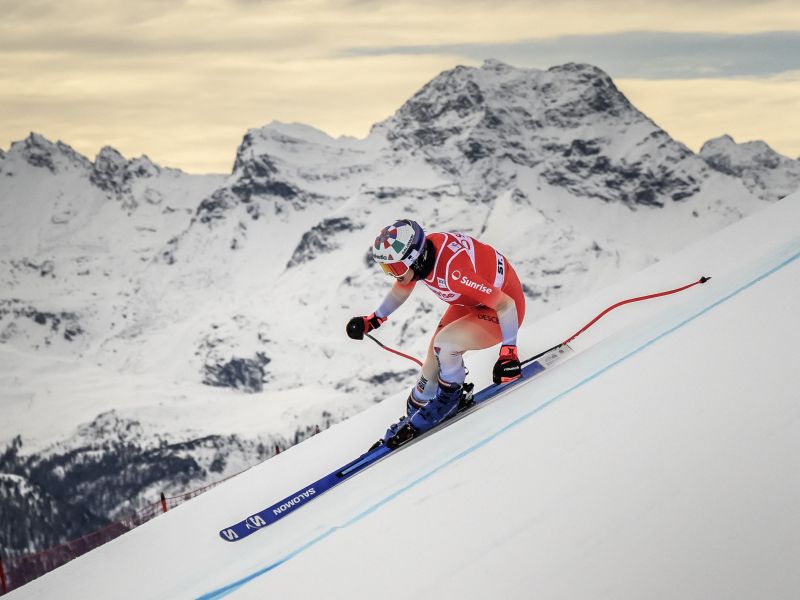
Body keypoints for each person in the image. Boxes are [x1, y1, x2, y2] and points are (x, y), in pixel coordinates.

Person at [346, 219, 526, 444]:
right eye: (387, 268)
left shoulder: (455, 273)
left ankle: (450, 399)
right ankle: (421, 408)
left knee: (446, 344)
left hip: (504, 310)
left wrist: (509, 353)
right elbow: (402, 286)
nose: (393, 274)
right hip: (474, 302)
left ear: (415, 259)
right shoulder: (422, 259)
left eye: (396, 268)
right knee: (427, 374)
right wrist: (374, 319)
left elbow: (506, 304)